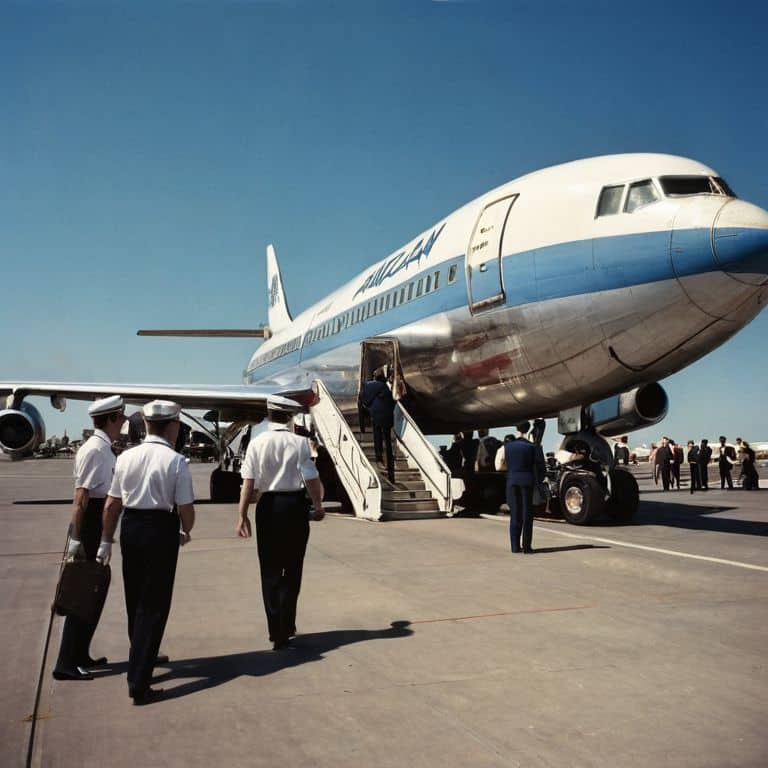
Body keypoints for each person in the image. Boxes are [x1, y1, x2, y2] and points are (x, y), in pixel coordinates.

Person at [99, 400, 195, 705]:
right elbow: (186, 509)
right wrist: (185, 530)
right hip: (160, 530)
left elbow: (112, 504)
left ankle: (139, 660)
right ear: (172, 426)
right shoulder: (176, 461)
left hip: (131, 527)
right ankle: (139, 684)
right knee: (153, 606)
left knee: (135, 600)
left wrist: (105, 541)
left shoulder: (126, 457)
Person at [237, 395, 325, 651]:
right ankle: (288, 624)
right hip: (294, 506)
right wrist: (318, 506)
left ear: (268, 414)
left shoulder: (257, 442)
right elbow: (311, 478)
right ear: (289, 416)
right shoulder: (300, 443)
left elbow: (248, 483)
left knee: (270, 569)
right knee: (293, 568)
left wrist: (242, 514)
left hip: (267, 508)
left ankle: (275, 629)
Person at [53, 395, 126, 681]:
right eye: (119, 418)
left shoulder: (103, 448)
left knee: (93, 594)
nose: (122, 423)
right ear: (109, 419)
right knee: (81, 596)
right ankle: (65, 664)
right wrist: (77, 539)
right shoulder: (96, 450)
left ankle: (80, 654)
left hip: (96, 525)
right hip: (90, 527)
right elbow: (81, 498)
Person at [503, 421, 544, 554]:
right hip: (527, 480)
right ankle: (526, 546)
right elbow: (537, 465)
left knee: (515, 513)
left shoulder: (508, 446)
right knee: (527, 514)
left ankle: (514, 546)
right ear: (528, 429)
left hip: (512, 479)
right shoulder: (531, 447)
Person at [360, 367, 396, 482]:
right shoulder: (384, 387)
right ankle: (391, 472)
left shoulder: (367, 385)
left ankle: (378, 456)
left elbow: (363, 399)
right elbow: (391, 401)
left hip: (374, 414)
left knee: (377, 435)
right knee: (387, 441)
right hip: (386, 416)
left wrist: (368, 408)